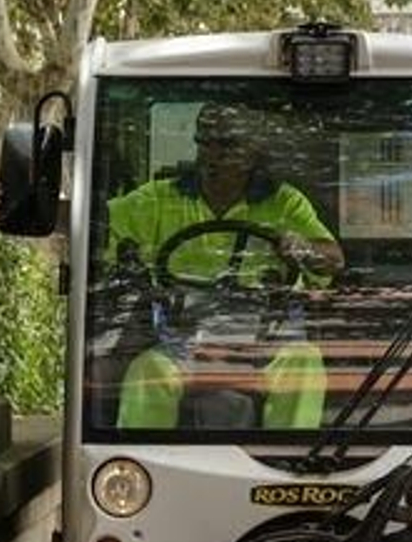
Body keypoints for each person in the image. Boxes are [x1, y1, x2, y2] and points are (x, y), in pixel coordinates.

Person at [104, 104, 345, 430]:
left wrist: (301, 248)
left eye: (227, 144)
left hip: (265, 343)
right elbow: (97, 227)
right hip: (185, 344)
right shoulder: (158, 199)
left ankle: (287, 463)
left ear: (252, 151)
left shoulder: (284, 202)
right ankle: (142, 466)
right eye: (205, 142)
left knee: (305, 362)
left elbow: (333, 260)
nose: (212, 155)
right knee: (146, 371)